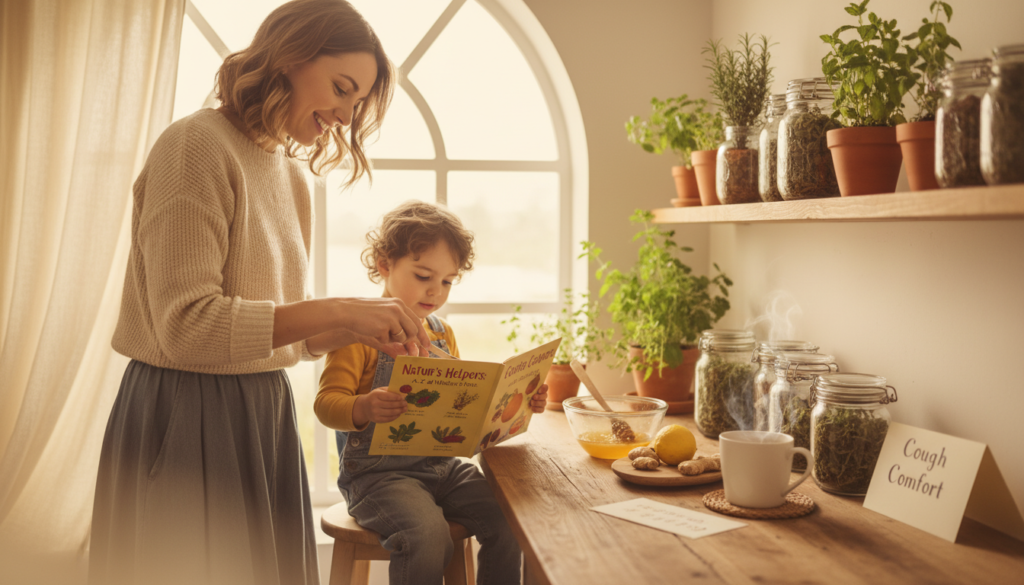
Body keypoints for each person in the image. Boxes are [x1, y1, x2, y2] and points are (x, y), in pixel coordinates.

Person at [88, 2, 427, 584]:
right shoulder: (195, 146)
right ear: (289, 58)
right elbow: (188, 326)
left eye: (356, 102)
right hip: (184, 412)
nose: (346, 116)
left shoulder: (289, 175)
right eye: (341, 89)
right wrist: (339, 309)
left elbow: (279, 334)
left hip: (261, 411)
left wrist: (358, 322)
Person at [315, 200, 548, 585]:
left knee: (511, 513)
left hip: (439, 467)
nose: (435, 291)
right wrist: (365, 406)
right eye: (423, 275)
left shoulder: (441, 333)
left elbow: (463, 403)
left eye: (447, 281)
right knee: (427, 535)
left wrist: (518, 403)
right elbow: (325, 405)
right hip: (377, 479)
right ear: (384, 264)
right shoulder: (357, 334)